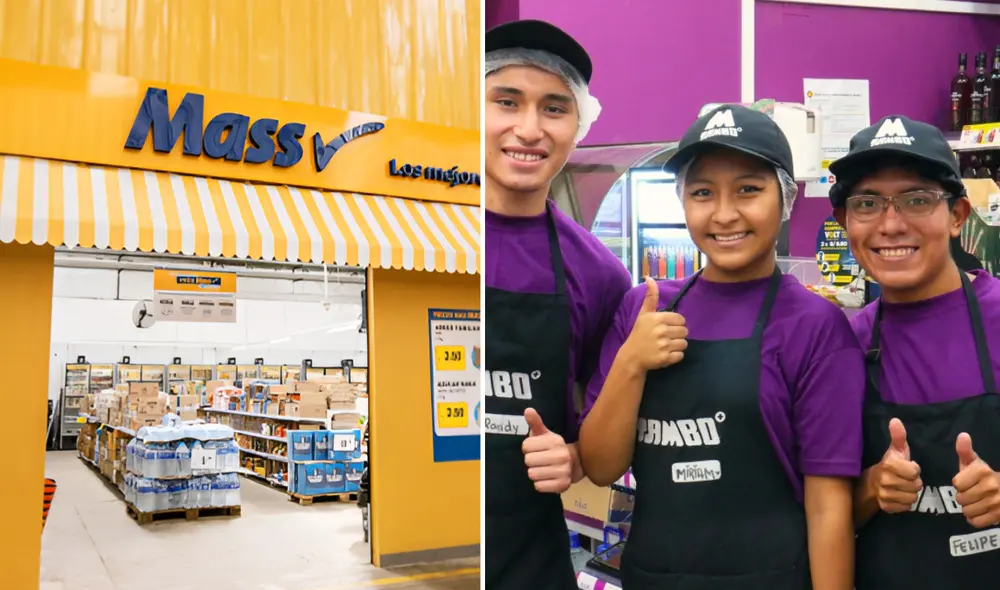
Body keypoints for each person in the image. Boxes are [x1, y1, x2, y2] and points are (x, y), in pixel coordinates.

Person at [579, 105, 864, 590]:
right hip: (654, 576)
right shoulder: (642, 308)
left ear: (786, 198)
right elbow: (602, 467)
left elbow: (827, 505)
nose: (725, 213)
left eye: (749, 190)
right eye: (702, 193)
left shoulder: (816, 327)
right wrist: (631, 361)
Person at [484, 19, 633, 590]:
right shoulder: (429, 240)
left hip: (532, 558)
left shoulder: (599, 276)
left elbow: (606, 437)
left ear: (579, 126)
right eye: (506, 101)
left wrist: (572, 456)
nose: (528, 129)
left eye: (553, 108)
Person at [827, 115, 1000, 589]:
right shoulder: (842, 344)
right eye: (866, 203)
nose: (891, 224)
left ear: (958, 216)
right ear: (845, 222)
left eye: (917, 199)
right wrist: (872, 488)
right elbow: (825, 512)